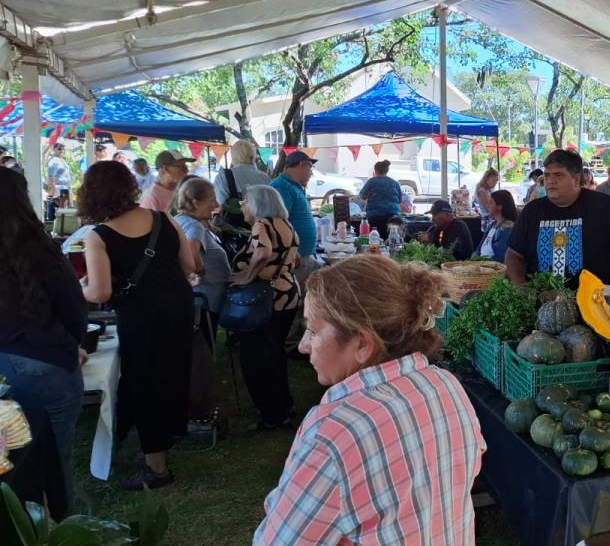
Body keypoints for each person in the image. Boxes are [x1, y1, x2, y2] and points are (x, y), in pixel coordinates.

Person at [255, 257, 483, 545]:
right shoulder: (446, 385)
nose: (303, 345)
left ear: (362, 344)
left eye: (313, 330)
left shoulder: (334, 432)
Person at [78, 161, 194, 490]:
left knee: (144, 382)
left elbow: (100, 292)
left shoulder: (98, 236)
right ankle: (160, 442)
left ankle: (157, 467)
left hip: (141, 315)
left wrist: (80, 288)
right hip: (178, 306)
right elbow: (189, 265)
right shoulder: (163, 218)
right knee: (171, 374)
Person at [0, 167, 87, 510]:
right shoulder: (41, 247)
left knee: (14, 467)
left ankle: (28, 525)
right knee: (58, 464)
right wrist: (70, 345)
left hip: (11, 364)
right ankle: (66, 524)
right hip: (49, 363)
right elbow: (74, 306)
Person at [507, 149, 610, 306]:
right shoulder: (532, 211)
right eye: (547, 175)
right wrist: (521, 290)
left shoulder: (605, 206)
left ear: (576, 179)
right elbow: (513, 255)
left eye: (558, 175)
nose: (550, 181)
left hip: (599, 307)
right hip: (542, 309)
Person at [229, 185, 301, 431]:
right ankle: (283, 404)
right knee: (275, 352)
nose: (242, 206)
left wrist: (248, 276)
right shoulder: (285, 224)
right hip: (288, 293)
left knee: (257, 358)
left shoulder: (262, 225)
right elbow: (295, 259)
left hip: (268, 298)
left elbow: (263, 252)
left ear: (257, 204)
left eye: (245, 201)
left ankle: (273, 414)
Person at [172, 178, 229, 423]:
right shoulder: (194, 226)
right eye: (211, 200)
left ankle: (199, 398)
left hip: (202, 298)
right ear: (195, 203)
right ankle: (202, 402)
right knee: (202, 352)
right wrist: (200, 270)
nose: (215, 205)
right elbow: (192, 254)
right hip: (206, 299)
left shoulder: (181, 220)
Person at [270, 150, 317, 275]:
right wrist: (290, 250)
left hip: (302, 254)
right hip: (295, 257)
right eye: (310, 167)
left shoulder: (292, 186)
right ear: (301, 164)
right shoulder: (282, 186)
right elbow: (278, 222)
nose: (311, 173)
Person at [214, 139, 271, 225]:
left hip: (234, 228)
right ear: (252, 156)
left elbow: (220, 205)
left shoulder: (223, 176)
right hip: (262, 225)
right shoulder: (265, 178)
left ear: (233, 156)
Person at [359, 160, 404, 241]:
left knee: (375, 240)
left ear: (375, 171)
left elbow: (362, 196)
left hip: (374, 216)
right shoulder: (394, 183)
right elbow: (400, 201)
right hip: (393, 217)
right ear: (387, 171)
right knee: (391, 240)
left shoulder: (372, 181)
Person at [476, 190, 517, 262]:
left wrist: (481, 262)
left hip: (492, 266)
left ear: (499, 207)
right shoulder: (492, 225)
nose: (487, 205)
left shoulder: (507, 228)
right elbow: (479, 249)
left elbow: (501, 256)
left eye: (491, 203)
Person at [472, 168, 500, 238]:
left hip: (491, 218)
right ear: (487, 179)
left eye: (496, 181)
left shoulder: (490, 189)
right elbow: (488, 208)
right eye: (493, 180)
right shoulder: (482, 191)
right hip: (488, 220)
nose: (495, 183)